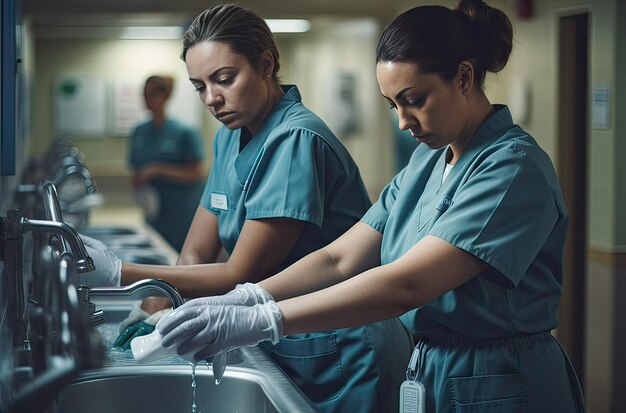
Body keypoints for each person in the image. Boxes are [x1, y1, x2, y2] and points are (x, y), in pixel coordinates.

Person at [156, 1, 587, 412]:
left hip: (498, 378)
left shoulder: (511, 167)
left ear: (463, 76)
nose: (403, 121)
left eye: (415, 99)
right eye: (393, 104)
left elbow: (408, 285)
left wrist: (268, 319)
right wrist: (247, 298)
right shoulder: (427, 161)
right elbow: (340, 257)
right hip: (432, 367)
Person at [85, 4, 412, 412]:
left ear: (266, 64)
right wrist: (156, 299)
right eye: (199, 86)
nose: (212, 99)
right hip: (281, 333)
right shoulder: (229, 136)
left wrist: (122, 274)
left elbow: (242, 272)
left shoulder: (295, 139)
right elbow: (197, 252)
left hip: (339, 342)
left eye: (224, 79)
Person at [128, 75, 206, 252]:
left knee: (183, 257)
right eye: (144, 94)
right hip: (155, 211)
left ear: (165, 96)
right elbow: (135, 169)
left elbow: (195, 173)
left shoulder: (185, 131)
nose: (147, 99)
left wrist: (157, 169)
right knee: (157, 254)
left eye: (152, 94)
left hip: (184, 211)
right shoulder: (140, 132)